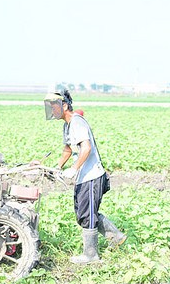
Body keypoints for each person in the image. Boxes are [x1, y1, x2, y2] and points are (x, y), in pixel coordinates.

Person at [43, 90, 126, 263]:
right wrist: (58, 167)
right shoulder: (67, 125)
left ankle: (91, 255)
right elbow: (68, 149)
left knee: (87, 214)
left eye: (54, 106)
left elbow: (86, 148)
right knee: (83, 213)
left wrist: (74, 168)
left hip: (92, 176)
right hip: (84, 176)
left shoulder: (77, 122)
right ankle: (116, 236)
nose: (52, 110)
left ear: (64, 106)